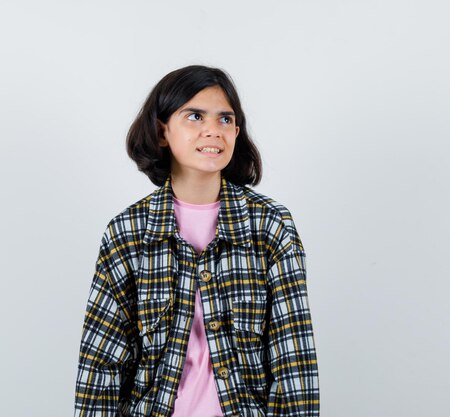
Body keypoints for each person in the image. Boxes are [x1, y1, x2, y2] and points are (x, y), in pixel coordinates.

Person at [73, 65, 320, 417]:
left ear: (236, 131)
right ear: (162, 132)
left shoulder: (270, 226)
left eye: (224, 119)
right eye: (194, 116)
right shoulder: (127, 232)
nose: (212, 130)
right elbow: (101, 365)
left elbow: (293, 359)